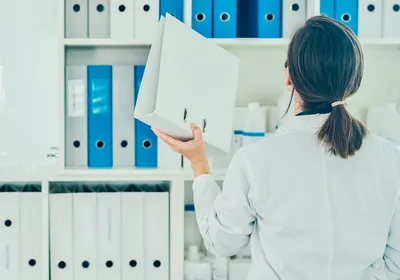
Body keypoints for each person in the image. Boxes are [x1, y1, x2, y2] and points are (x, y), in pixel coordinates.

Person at [153, 16, 400, 280]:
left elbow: (223, 242)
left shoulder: (255, 160)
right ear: (354, 82)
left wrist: (199, 164)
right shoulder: (391, 159)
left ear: (289, 77)